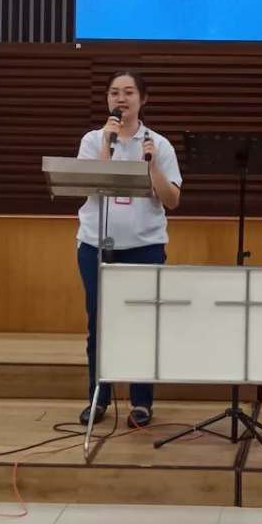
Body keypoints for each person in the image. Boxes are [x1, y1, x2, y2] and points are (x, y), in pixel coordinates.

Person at [76, 69, 182, 428]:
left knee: (142, 324)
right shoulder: (93, 139)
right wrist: (107, 145)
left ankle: (141, 403)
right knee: (99, 323)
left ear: (143, 99)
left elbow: (172, 200)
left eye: (128, 92)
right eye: (114, 92)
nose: (120, 99)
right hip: (96, 244)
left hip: (144, 247)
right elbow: (89, 186)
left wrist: (151, 166)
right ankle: (98, 397)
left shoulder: (158, 145)